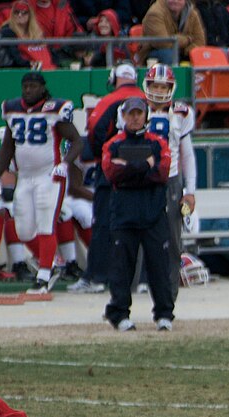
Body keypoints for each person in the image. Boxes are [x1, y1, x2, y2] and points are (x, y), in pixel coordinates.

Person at [0, 72, 82, 295]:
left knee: (45, 224)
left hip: (49, 176)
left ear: (42, 88)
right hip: (25, 178)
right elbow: (7, 147)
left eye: (32, 86)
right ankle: (52, 262)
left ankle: (43, 275)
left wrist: (66, 163)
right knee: (23, 230)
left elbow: (77, 140)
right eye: (25, 86)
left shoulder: (54, 109)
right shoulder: (12, 109)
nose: (28, 90)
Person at [101, 97, 174, 332]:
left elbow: (162, 173)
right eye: (130, 113)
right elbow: (112, 173)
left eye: (138, 113)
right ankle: (119, 313)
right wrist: (144, 166)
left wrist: (130, 167)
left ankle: (164, 314)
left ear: (145, 116)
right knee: (121, 268)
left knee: (159, 267)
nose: (134, 118)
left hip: (153, 213)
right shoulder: (112, 143)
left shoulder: (158, 143)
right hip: (124, 214)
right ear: (123, 116)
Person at [81, 64, 146, 296]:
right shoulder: (147, 98)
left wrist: (105, 155)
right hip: (143, 168)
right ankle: (142, 279)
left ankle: (98, 277)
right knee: (143, 223)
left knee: (104, 223)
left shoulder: (108, 101)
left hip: (113, 167)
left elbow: (94, 132)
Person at [142, 64, 197, 299]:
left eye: (164, 86)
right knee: (133, 237)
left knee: (173, 240)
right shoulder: (133, 109)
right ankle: (131, 290)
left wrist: (191, 190)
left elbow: (187, 154)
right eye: (155, 85)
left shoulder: (181, 113)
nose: (159, 90)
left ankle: (169, 295)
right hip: (140, 181)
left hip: (170, 180)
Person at [139, 0, 207, 64]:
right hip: (153, 53)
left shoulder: (192, 13)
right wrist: (187, 39)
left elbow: (200, 41)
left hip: (181, 51)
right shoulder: (154, 13)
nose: (175, 1)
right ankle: (174, 76)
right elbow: (163, 43)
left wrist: (187, 51)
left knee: (201, 54)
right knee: (168, 54)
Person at [0, 1, 56, 69]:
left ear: (30, 15)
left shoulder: (37, 32)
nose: (20, 15)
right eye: (16, 12)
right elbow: (15, 58)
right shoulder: (7, 32)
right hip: (26, 71)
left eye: (24, 12)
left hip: (49, 69)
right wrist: (29, 65)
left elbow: (48, 54)